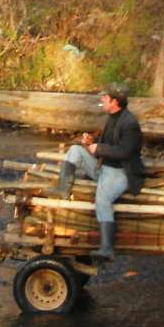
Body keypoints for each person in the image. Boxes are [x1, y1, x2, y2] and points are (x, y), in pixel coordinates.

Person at [49, 82, 145, 261]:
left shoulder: (130, 123)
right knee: (75, 151)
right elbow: (107, 139)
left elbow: (125, 151)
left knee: (102, 200)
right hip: (104, 168)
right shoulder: (113, 117)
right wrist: (92, 139)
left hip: (120, 173)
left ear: (115, 102)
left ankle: (107, 249)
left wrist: (98, 148)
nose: (102, 99)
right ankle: (63, 189)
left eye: (105, 97)